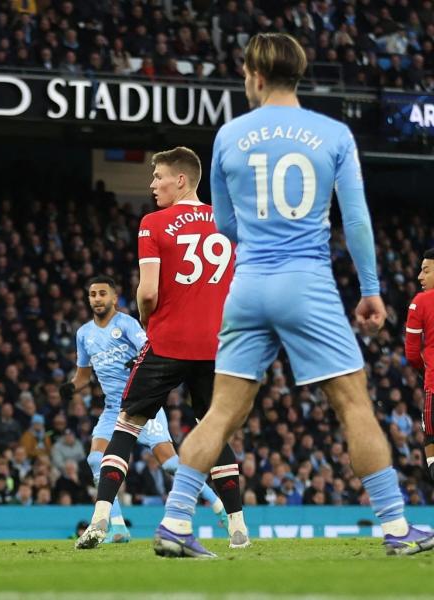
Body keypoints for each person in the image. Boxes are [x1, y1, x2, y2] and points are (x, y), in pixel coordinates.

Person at [154, 32, 434, 558]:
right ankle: (397, 529)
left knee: (220, 414)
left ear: (256, 77)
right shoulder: (332, 134)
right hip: (307, 284)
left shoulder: (230, 136)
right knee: (354, 405)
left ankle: (174, 523)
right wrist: (370, 290)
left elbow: (226, 225)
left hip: (248, 286)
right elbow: (355, 218)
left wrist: (258, 246)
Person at [75, 147, 248, 550]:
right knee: (213, 429)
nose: (152, 185)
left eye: (159, 177)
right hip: (215, 346)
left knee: (127, 425)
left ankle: (100, 519)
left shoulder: (154, 223)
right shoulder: (230, 223)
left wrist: (149, 322)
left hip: (168, 342)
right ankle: (238, 527)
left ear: (181, 180)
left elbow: (148, 292)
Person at [62, 276, 227, 545]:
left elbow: (149, 349)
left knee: (172, 465)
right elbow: (82, 377)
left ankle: (218, 505)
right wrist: (70, 388)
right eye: (92, 294)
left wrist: (134, 360)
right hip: (112, 408)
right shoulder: (83, 334)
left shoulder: (126, 323)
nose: (97, 299)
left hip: (142, 404)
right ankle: (116, 527)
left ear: (114, 298)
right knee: (95, 460)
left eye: (102, 293)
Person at [405, 248, 434, 483]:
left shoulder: (420, 303)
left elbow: (412, 353)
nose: (419, 277)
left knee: (431, 440)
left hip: (433, 387)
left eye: (425, 270)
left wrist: (426, 371)